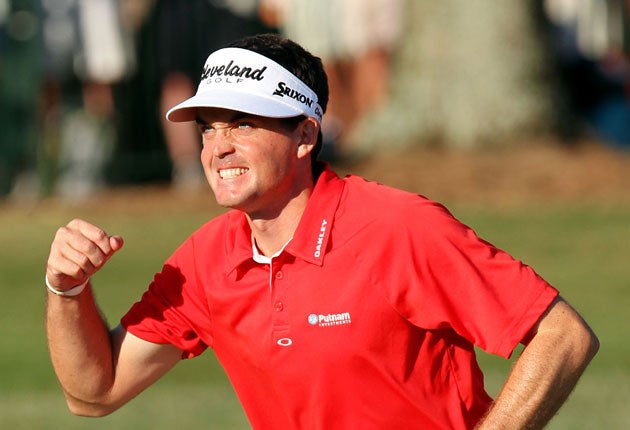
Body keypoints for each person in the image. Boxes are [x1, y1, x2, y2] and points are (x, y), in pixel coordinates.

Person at [45, 33, 598, 429]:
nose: (218, 149)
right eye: (209, 128)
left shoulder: (397, 228)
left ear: (306, 135)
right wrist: (67, 290)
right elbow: (94, 393)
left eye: (243, 123)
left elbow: (563, 337)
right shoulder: (206, 259)